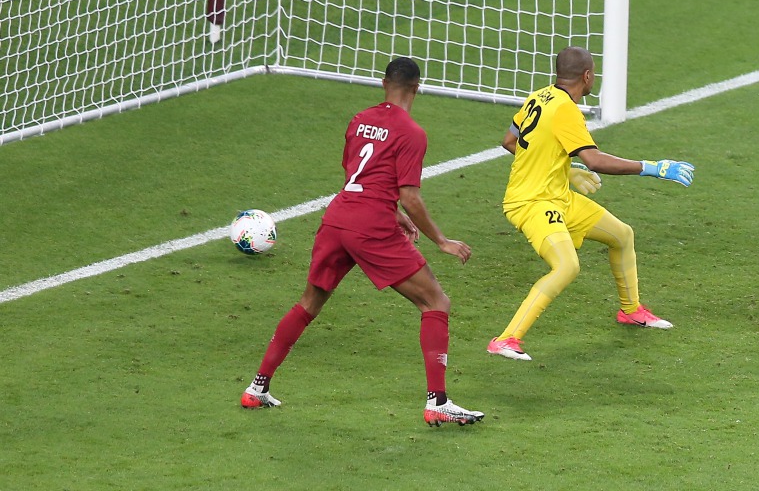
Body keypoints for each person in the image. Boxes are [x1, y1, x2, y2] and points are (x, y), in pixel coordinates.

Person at [240, 57, 484, 427]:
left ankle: (257, 387)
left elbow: (357, 175)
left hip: (338, 218)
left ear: (383, 83)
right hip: (370, 227)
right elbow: (410, 196)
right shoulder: (412, 133)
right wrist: (441, 240)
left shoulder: (359, 120)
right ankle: (438, 402)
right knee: (435, 302)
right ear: (417, 88)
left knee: (309, 303)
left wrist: (393, 212)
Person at [487, 46, 694, 362]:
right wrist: (652, 167)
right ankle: (505, 339)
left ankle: (631, 310)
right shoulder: (566, 110)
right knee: (566, 266)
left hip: (557, 195)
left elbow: (509, 141)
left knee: (621, 235)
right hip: (532, 203)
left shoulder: (538, 97)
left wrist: (564, 170)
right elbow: (594, 160)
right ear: (587, 76)